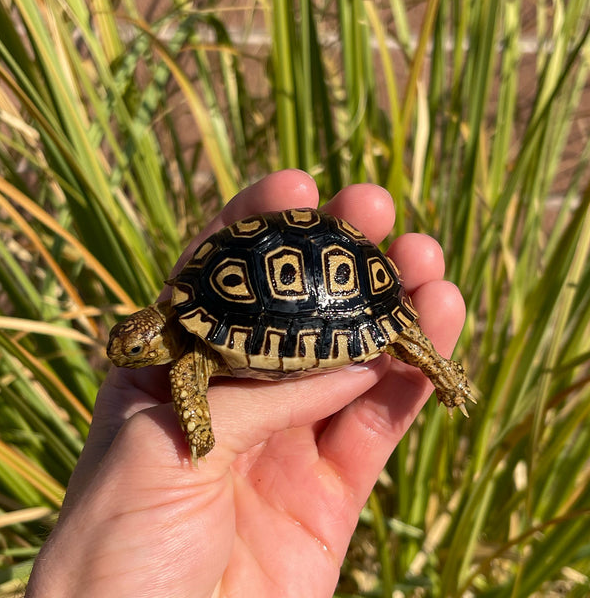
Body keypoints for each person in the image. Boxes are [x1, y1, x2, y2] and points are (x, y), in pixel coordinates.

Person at [25, 170, 466, 597]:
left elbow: (185, 373)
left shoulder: (189, 355)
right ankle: (444, 374)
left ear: (158, 337)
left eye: (137, 353)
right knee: (394, 337)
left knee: (403, 337)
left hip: (339, 298)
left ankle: (446, 376)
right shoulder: (195, 331)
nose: (124, 360)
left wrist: (196, 437)